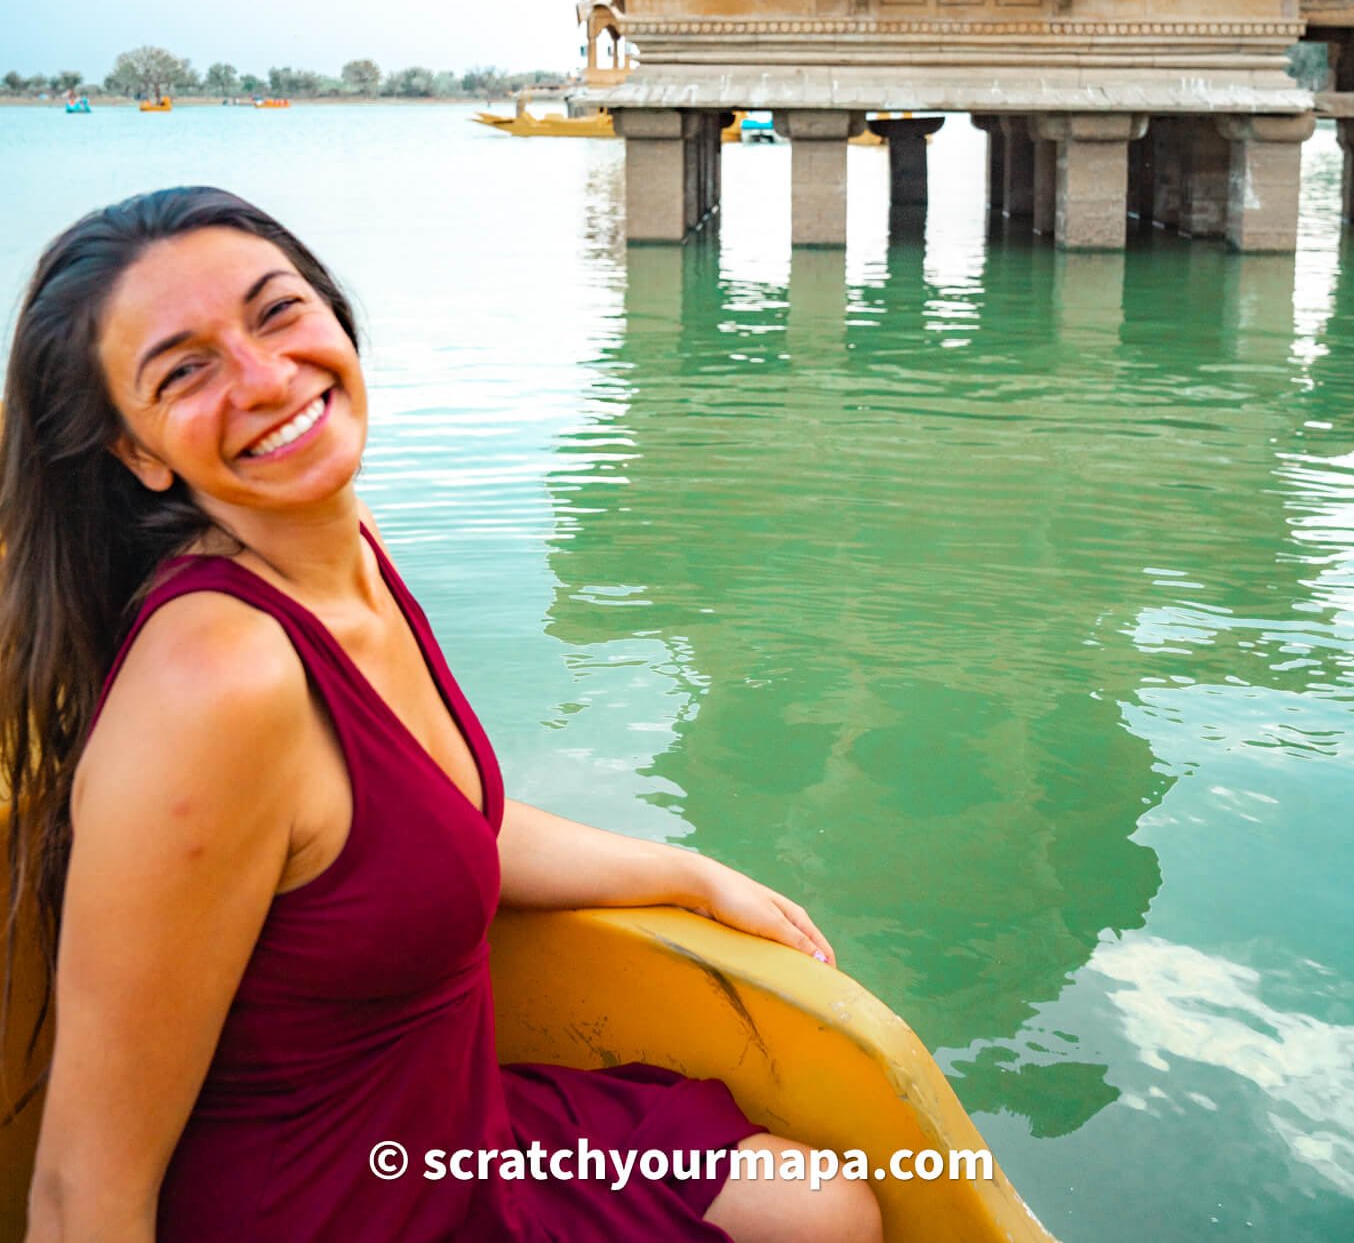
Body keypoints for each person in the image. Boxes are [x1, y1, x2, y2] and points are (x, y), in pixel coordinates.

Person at [0, 188, 881, 1243]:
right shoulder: (216, 685)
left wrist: (691, 872)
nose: (267, 377)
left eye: (278, 312)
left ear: (334, 317)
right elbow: (77, 1191)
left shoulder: (342, 548)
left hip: (448, 1141)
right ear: (139, 453)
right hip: (323, 1208)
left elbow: (428, 817)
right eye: (185, 368)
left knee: (824, 1206)